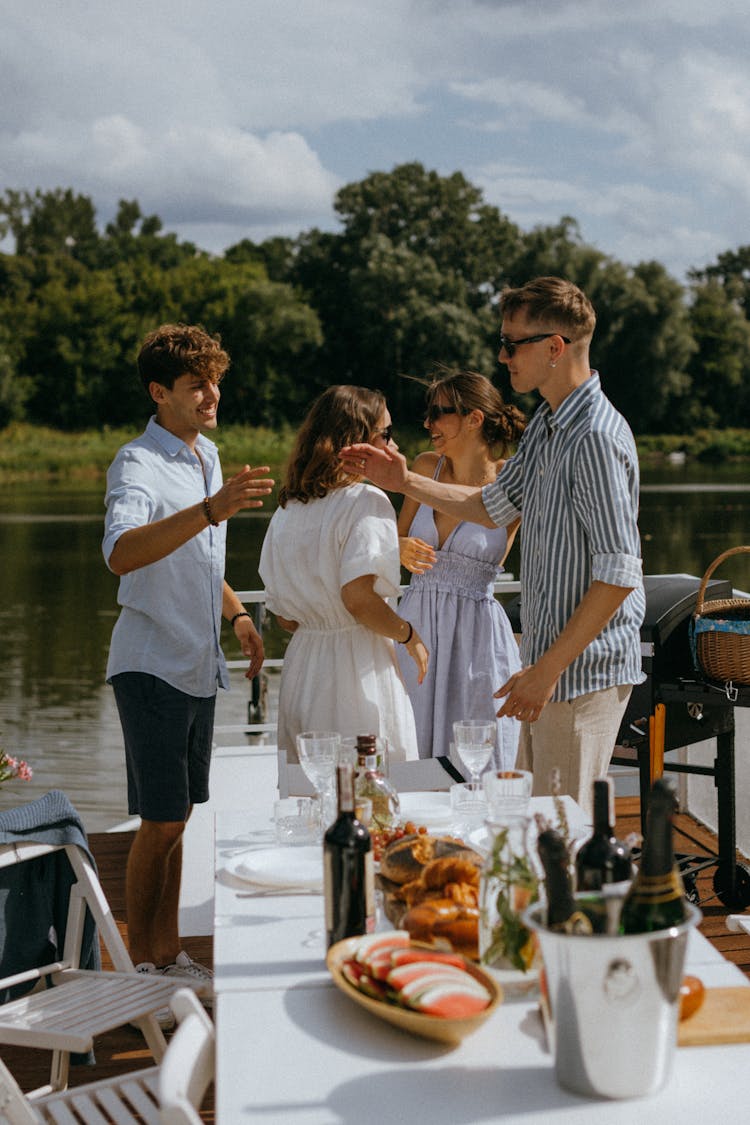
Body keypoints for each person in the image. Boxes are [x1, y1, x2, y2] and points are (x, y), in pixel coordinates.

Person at [341, 277, 645, 817]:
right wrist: (404, 481)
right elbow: (492, 505)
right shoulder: (549, 428)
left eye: (513, 343)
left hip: (576, 676)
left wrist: (546, 670)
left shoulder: (594, 436)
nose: (502, 356)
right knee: (535, 827)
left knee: (563, 837)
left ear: (555, 347)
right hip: (547, 671)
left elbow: (618, 572)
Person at [103, 323, 273, 997]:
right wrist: (209, 509)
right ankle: (142, 965)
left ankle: (168, 953)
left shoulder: (209, 456)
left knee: (177, 818)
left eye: (215, 380)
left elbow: (202, 559)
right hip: (149, 663)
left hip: (196, 663)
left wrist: (237, 614)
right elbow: (121, 552)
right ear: (159, 392)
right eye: (195, 383)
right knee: (163, 818)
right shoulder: (136, 463)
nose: (211, 393)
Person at [259, 385, 426, 764]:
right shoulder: (366, 501)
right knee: (373, 790)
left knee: (313, 793)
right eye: (385, 434)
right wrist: (409, 635)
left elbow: (285, 618)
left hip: (304, 666)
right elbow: (359, 600)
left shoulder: (287, 510)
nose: (394, 445)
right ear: (357, 443)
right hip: (356, 667)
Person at [396, 369, 525, 768]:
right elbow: (389, 542)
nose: (427, 423)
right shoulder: (423, 466)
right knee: (411, 744)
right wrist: (398, 548)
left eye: (439, 412)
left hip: (477, 635)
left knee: (479, 755)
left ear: (474, 418)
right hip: (416, 625)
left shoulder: (511, 478)